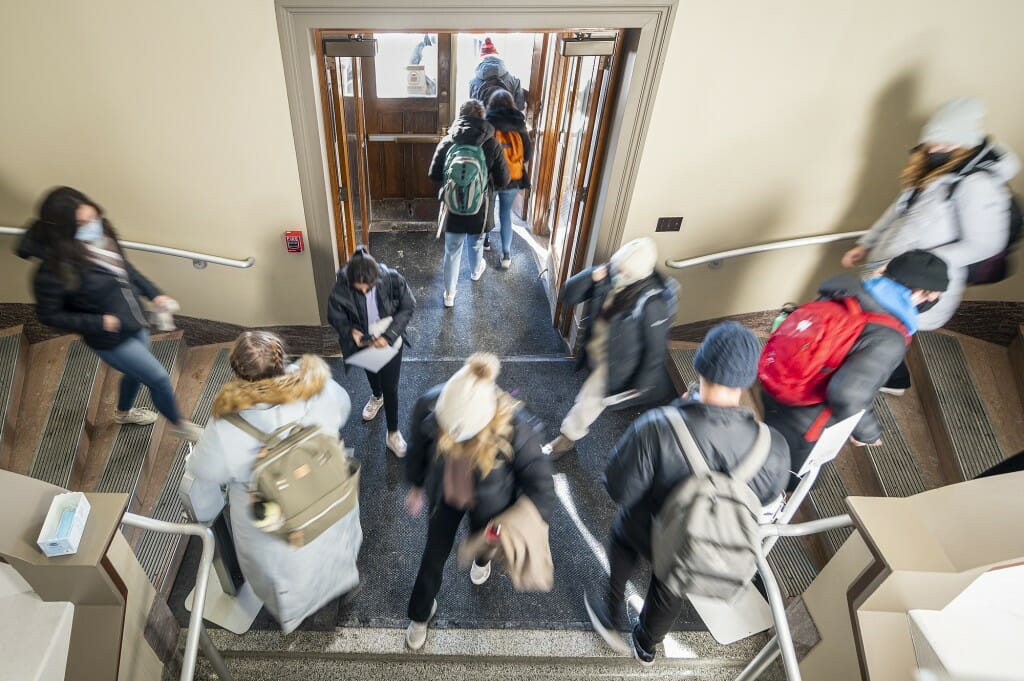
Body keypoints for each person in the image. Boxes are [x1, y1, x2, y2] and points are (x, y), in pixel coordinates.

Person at [586, 322, 791, 666]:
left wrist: (677, 415)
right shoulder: (774, 448)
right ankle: (647, 645)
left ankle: (611, 616)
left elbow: (619, 487)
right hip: (694, 545)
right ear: (746, 382)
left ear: (701, 366)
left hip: (646, 527)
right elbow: (767, 499)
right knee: (670, 586)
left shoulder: (658, 426)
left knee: (622, 535)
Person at [183, 331, 361, 634]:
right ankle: (342, 583)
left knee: (289, 574)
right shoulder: (312, 385)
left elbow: (206, 469)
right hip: (325, 491)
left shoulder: (227, 423)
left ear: (238, 373)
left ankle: (300, 613)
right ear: (283, 359)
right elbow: (342, 407)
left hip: (278, 520)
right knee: (333, 544)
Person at [841, 97, 1019, 392]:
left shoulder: (978, 186)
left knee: (886, 327)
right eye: (932, 141)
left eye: (945, 143)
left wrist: (917, 264)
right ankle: (889, 376)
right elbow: (898, 209)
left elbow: (984, 244)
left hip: (920, 282)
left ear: (965, 142)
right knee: (879, 323)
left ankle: (886, 377)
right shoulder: (933, 168)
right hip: (891, 268)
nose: (935, 148)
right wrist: (866, 243)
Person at [16, 186, 201, 440]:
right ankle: (180, 425)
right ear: (64, 227)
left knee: (135, 372)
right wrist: (99, 322)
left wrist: (155, 294)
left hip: (133, 319)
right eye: (83, 222)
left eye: (94, 217)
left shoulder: (102, 235)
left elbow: (126, 271)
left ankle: (123, 413)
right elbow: (49, 315)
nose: (94, 225)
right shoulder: (53, 271)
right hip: (109, 338)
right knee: (159, 379)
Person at [403, 353, 555, 650]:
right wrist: (417, 484)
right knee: (433, 557)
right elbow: (417, 449)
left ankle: (481, 560)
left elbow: (542, 487)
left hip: (491, 507)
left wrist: (514, 525)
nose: (449, 440)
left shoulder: (516, 428)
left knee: (485, 542)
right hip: (445, 496)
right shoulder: (433, 404)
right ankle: (420, 615)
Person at [761, 250, 950, 488]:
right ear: (919, 295)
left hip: (776, 376)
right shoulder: (888, 336)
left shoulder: (843, 291)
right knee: (789, 473)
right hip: (806, 412)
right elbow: (848, 395)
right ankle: (761, 502)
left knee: (770, 436)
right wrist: (867, 433)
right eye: (934, 296)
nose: (932, 301)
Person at [543, 237, 678, 459]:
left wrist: (641, 385)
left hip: (617, 362)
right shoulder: (610, 273)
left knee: (589, 401)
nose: (618, 276)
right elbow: (568, 294)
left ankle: (566, 439)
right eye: (617, 269)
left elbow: (654, 350)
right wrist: (591, 276)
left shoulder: (653, 302)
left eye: (624, 274)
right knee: (589, 396)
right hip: (598, 348)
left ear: (638, 276)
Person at [327, 246, 415, 457]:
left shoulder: (392, 278)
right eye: (360, 289)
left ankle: (393, 433)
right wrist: (351, 332)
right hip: (363, 340)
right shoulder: (342, 284)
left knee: (391, 387)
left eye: (369, 287)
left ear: (376, 277)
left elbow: (408, 306)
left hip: (389, 338)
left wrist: (389, 336)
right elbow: (334, 313)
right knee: (371, 372)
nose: (365, 291)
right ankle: (377, 397)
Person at [428, 100, 510, 307]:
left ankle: (449, 295)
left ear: (460, 116)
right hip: (480, 207)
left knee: (452, 249)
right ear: (483, 118)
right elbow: (503, 180)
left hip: (452, 207)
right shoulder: (491, 143)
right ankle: (475, 271)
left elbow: (433, 174)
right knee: (475, 242)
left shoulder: (448, 141)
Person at [485, 89, 533, 269]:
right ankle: (506, 255)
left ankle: (486, 241)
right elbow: (527, 154)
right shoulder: (520, 124)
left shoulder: (488, 123)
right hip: (513, 178)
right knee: (505, 215)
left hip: (490, 177)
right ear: (511, 103)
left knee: (488, 210)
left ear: (492, 104)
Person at [469, 37, 527, 113]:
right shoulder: (514, 81)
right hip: (506, 123)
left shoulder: (473, 82)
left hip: (483, 124)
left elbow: (472, 112)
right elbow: (520, 107)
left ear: (482, 58)